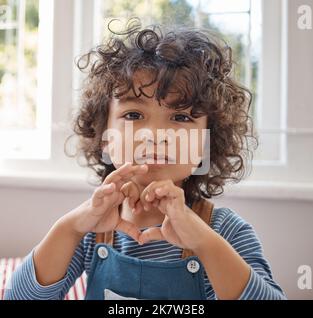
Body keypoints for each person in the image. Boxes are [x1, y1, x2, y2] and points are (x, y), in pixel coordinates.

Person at [4, 19, 286, 300]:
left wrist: (204, 242)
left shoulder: (224, 231)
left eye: (181, 117)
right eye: (134, 115)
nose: (154, 135)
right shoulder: (91, 230)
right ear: (105, 139)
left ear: (205, 147)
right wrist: (72, 227)